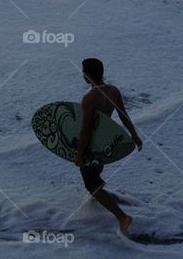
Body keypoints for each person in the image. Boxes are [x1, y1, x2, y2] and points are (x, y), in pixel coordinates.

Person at [74, 57, 143, 235]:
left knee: (90, 184)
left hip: (92, 146)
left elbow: (86, 130)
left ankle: (122, 217)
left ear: (87, 75)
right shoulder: (113, 91)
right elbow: (123, 115)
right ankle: (100, 199)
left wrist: (80, 154)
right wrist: (134, 135)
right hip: (107, 144)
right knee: (95, 178)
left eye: (83, 71)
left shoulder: (90, 98)